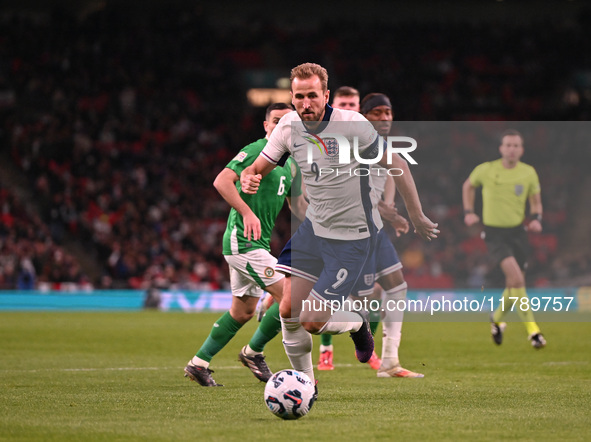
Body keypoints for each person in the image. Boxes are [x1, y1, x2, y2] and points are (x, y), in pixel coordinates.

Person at [241, 62, 438, 385]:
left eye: (313, 97)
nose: (306, 105)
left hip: (351, 238)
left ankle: (358, 323)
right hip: (313, 230)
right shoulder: (289, 126)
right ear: (291, 97)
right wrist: (250, 178)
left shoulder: (352, 125)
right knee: (288, 310)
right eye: (299, 97)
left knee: (313, 321)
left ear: (326, 95)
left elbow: (397, 162)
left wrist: (416, 215)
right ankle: (306, 386)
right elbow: (258, 167)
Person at [183, 103, 307, 387]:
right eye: (275, 121)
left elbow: (299, 205)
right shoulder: (256, 151)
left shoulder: (292, 163)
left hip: (256, 245)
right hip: (244, 243)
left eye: (287, 122)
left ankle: (198, 364)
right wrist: (247, 212)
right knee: (292, 297)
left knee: (243, 312)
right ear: (266, 126)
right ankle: (253, 352)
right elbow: (222, 181)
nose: (280, 126)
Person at [462, 129, 546, 349]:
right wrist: (468, 211)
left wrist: (537, 218)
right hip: (494, 234)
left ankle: (497, 319)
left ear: (522, 150)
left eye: (516, 145)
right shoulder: (486, 170)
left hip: (518, 233)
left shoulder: (528, 173)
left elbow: (536, 202)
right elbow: (468, 186)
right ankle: (534, 332)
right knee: (518, 280)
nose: (511, 149)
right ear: (501, 148)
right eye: (508, 145)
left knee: (513, 285)